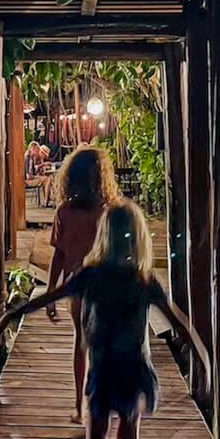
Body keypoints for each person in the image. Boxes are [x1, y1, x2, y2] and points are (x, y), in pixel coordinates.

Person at [0, 201, 209, 439]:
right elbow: (181, 325)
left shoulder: (91, 276)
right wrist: (203, 362)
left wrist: (13, 314)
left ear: (104, 236)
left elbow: (50, 296)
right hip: (134, 368)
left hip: (102, 367)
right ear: (138, 239)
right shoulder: (144, 280)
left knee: (97, 435)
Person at [45, 146, 122, 422]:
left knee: (82, 344)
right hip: (103, 288)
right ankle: (98, 402)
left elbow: (59, 255)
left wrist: (51, 293)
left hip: (78, 286)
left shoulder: (66, 211)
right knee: (102, 345)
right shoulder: (109, 212)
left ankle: (81, 406)